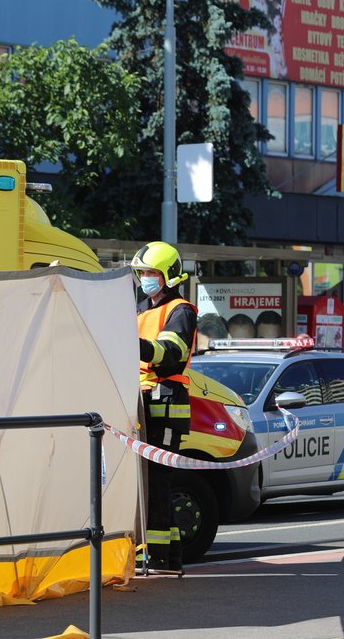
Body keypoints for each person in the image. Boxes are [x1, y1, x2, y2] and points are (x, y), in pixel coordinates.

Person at [132, 241, 196, 573]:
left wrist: (134, 343)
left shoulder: (181, 310)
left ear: (168, 275)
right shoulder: (141, 307)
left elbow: (170, 352)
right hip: (146, 400)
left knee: (158, 481)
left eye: (151, 273)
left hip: (167, 402)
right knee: (150, 482)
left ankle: (160, 558)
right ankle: (167, 558)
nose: (145, 278)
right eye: (142, 272)